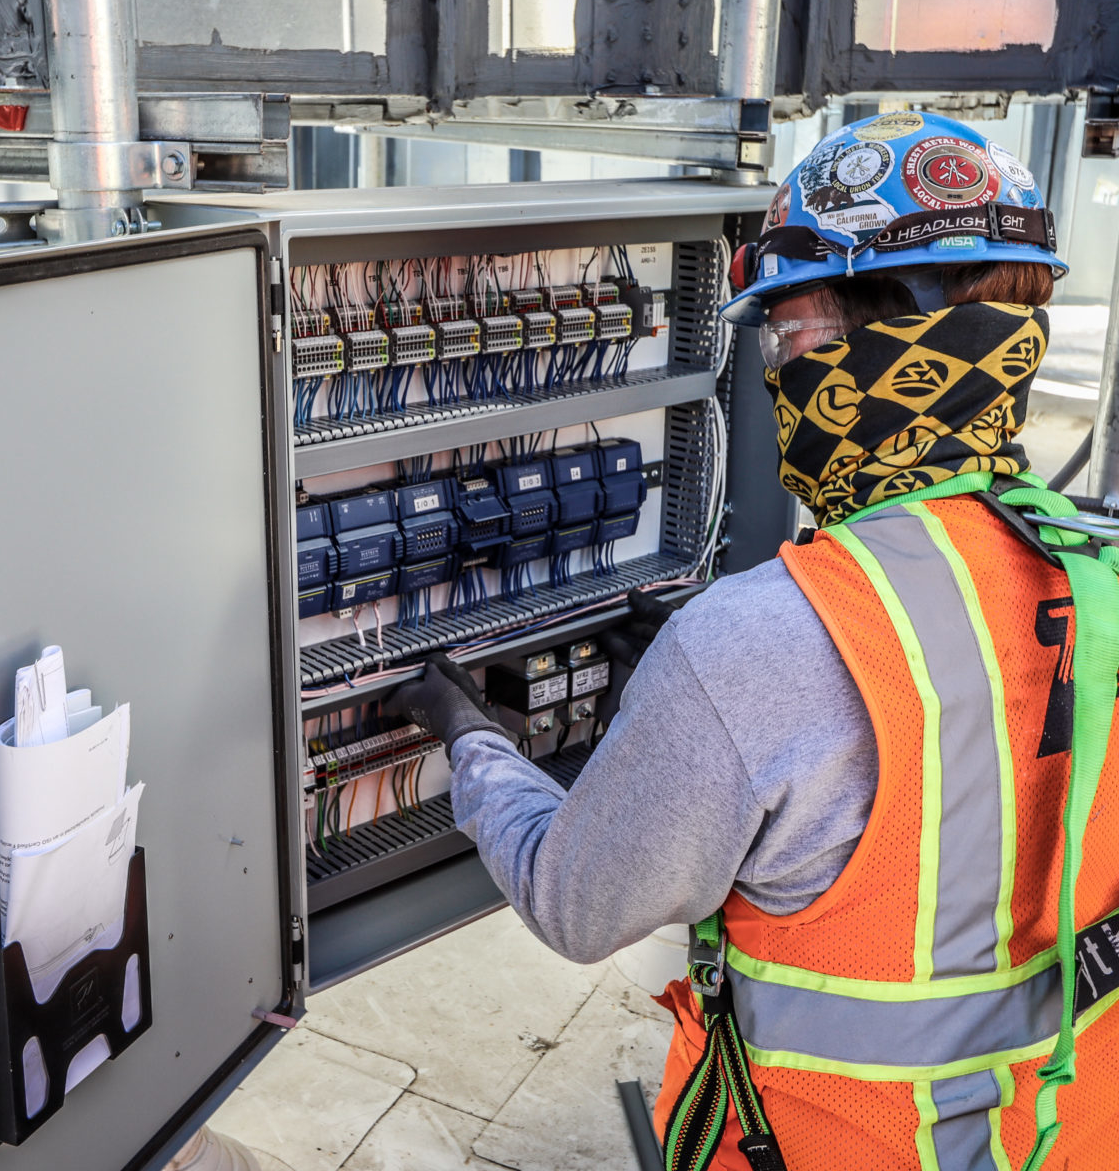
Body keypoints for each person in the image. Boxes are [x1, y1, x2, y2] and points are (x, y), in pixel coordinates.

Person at [387, 112, 1119, 1171]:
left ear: (875, 337)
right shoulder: (1095, 557)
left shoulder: (753, 641)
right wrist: (705, 710)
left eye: (788, 337)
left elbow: (574, 899)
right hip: (1061, 1130)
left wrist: (468, 741)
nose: (780, 374)